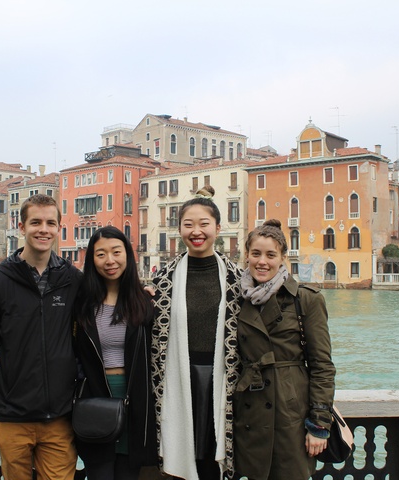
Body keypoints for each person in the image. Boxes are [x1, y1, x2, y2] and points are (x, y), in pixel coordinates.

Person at [0, 194, 81, 480]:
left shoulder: (73, 281)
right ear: (22, 227)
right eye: (36, 222)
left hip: (60, 418)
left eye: (50, 223)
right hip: (10, 416)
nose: (44, 229)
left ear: (58, 228)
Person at [151, 186, 243, 480]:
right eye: (188, 225)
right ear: (179, 230)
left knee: (213, 460)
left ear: (218, 227)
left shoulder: (238, 280)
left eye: (204, 224)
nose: (196, 231)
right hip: (178, 377)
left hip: (224, 380)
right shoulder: (162, 281)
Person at [233, 219, 336, 480]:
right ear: (247, 256)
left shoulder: (306, 299)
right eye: (256, 254)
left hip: (290, 412)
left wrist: (319, 424)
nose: (262, 262)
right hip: (249, 411)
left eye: (270, 255)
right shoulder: (236, 298)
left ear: (282, 258)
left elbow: (322, 366)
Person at [72, 226, 157, 480]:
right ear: (92, 259)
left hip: (135, 401)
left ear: (127, 256)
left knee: (127, 474)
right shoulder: (81, 305)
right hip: (95, 398)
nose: (110, 260)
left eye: (116, 252)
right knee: (99, 473)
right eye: (101, 254)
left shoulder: (145, 302)